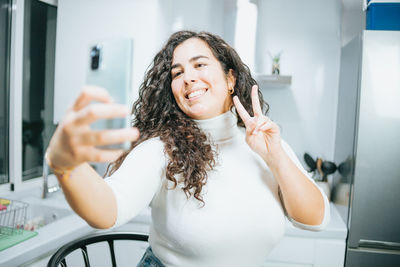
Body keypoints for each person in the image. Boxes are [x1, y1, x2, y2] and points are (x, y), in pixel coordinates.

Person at [46, 30, 330, 267]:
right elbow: (109, 210)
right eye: (177, 72)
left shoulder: (267, 143)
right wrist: (66, 166)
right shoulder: (161, 150)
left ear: (231, 79)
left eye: (199, 65)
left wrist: (276, 157)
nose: (188, 78)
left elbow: (315, 220)